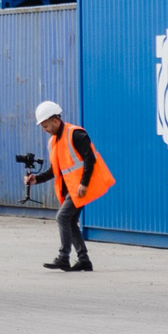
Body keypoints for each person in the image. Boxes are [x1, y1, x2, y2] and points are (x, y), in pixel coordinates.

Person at [22, 100, 113, 272]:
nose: (45, 130)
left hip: (81, 187)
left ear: (56, 120)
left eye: (46, 126)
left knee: (62, 217)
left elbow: (90, 158)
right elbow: (55, 169)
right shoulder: (54, 142)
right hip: (72, 189)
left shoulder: (75, 134)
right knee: (70, 222)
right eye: (43, 127)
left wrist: (84, 184)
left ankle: (63, 257)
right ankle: (84, 260)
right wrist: (37, 179)